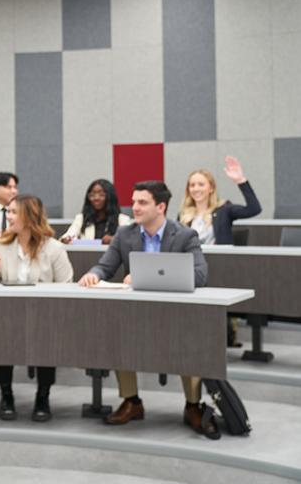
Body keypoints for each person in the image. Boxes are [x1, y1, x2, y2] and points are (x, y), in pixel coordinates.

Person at [77, 181, 220, 439]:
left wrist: (147, 276)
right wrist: (91, 275)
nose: (135, 208)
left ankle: (192, 405)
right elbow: (104, 267)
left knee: (189, 341)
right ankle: (132, 402)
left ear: (161, 206)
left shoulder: (185, 235)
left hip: (175, 314)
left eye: (142, 202)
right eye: (133, 202)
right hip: (134, 314)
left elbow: (201, 275)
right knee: (119, 337)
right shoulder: (124, 234)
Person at [0, 195, 73, 422]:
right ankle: (6, 395)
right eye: (8, 212)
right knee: (2, 338)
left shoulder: (54, 248)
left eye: (13, 212)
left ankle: (43, 396)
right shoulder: (1, 246)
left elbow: (67, 286)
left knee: (46, 339)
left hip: (44, 316)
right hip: (8, 315)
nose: (8, 217)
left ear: (29, 216)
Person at [178, 156, 262, 348]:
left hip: (219, 268)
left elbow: (254, 209)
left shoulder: (224, 209)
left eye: (201, 184)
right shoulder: (184, 215)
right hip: (191, 269)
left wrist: (241, 180)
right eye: (192, 185)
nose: (196, 189)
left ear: (211, 188)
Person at [60, 179, 131, 244]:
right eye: (92, 195)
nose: (96, 198)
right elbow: (67, 236)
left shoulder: (123, 220)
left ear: (110, 197)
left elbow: (129, 242)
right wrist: (66, 239)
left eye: (101, 195)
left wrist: (114, 240)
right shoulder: (81, 218)